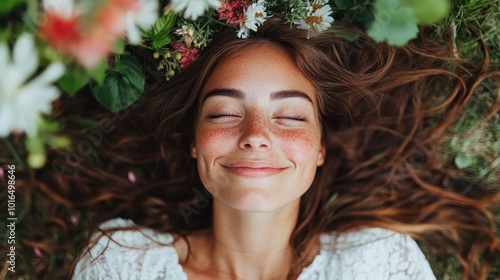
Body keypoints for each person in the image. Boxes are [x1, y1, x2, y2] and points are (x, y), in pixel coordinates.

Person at [67, 18, 498, 279]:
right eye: (223, 113)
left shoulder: (378, 263)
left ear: (320, 148)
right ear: (194, 143)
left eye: (290, 116)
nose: (256, 134)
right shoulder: (123, 262)